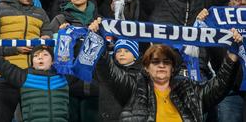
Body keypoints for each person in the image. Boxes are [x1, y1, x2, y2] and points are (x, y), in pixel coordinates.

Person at [89, 20, 241, 121]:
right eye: (155, 62)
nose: (161, 65)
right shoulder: (134, 87)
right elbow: (109, 74)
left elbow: (220, 86)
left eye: (166, 62)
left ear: (173, 68)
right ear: (147, 67)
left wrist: (232, 56)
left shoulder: (189, 90)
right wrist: (98, 42)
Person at [0, 44, 69, 122]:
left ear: (53, 62)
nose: (40, 57)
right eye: (36, 55)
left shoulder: (64, 78)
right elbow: (0, 63)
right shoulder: (24, 77)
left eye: (45, 55)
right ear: (32, 62)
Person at [49, 0, 99, 122]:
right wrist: (58, 36)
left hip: (94, 86)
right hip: (67, 87)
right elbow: (46, 48)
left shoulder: (99, 21)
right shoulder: (60, 20)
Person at [97, 39, 141, 122]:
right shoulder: (107, 70)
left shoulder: (143, 73)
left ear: (135, 55)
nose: (122, 54)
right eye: (118, 51)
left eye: (127, 51)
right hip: (106, 117)